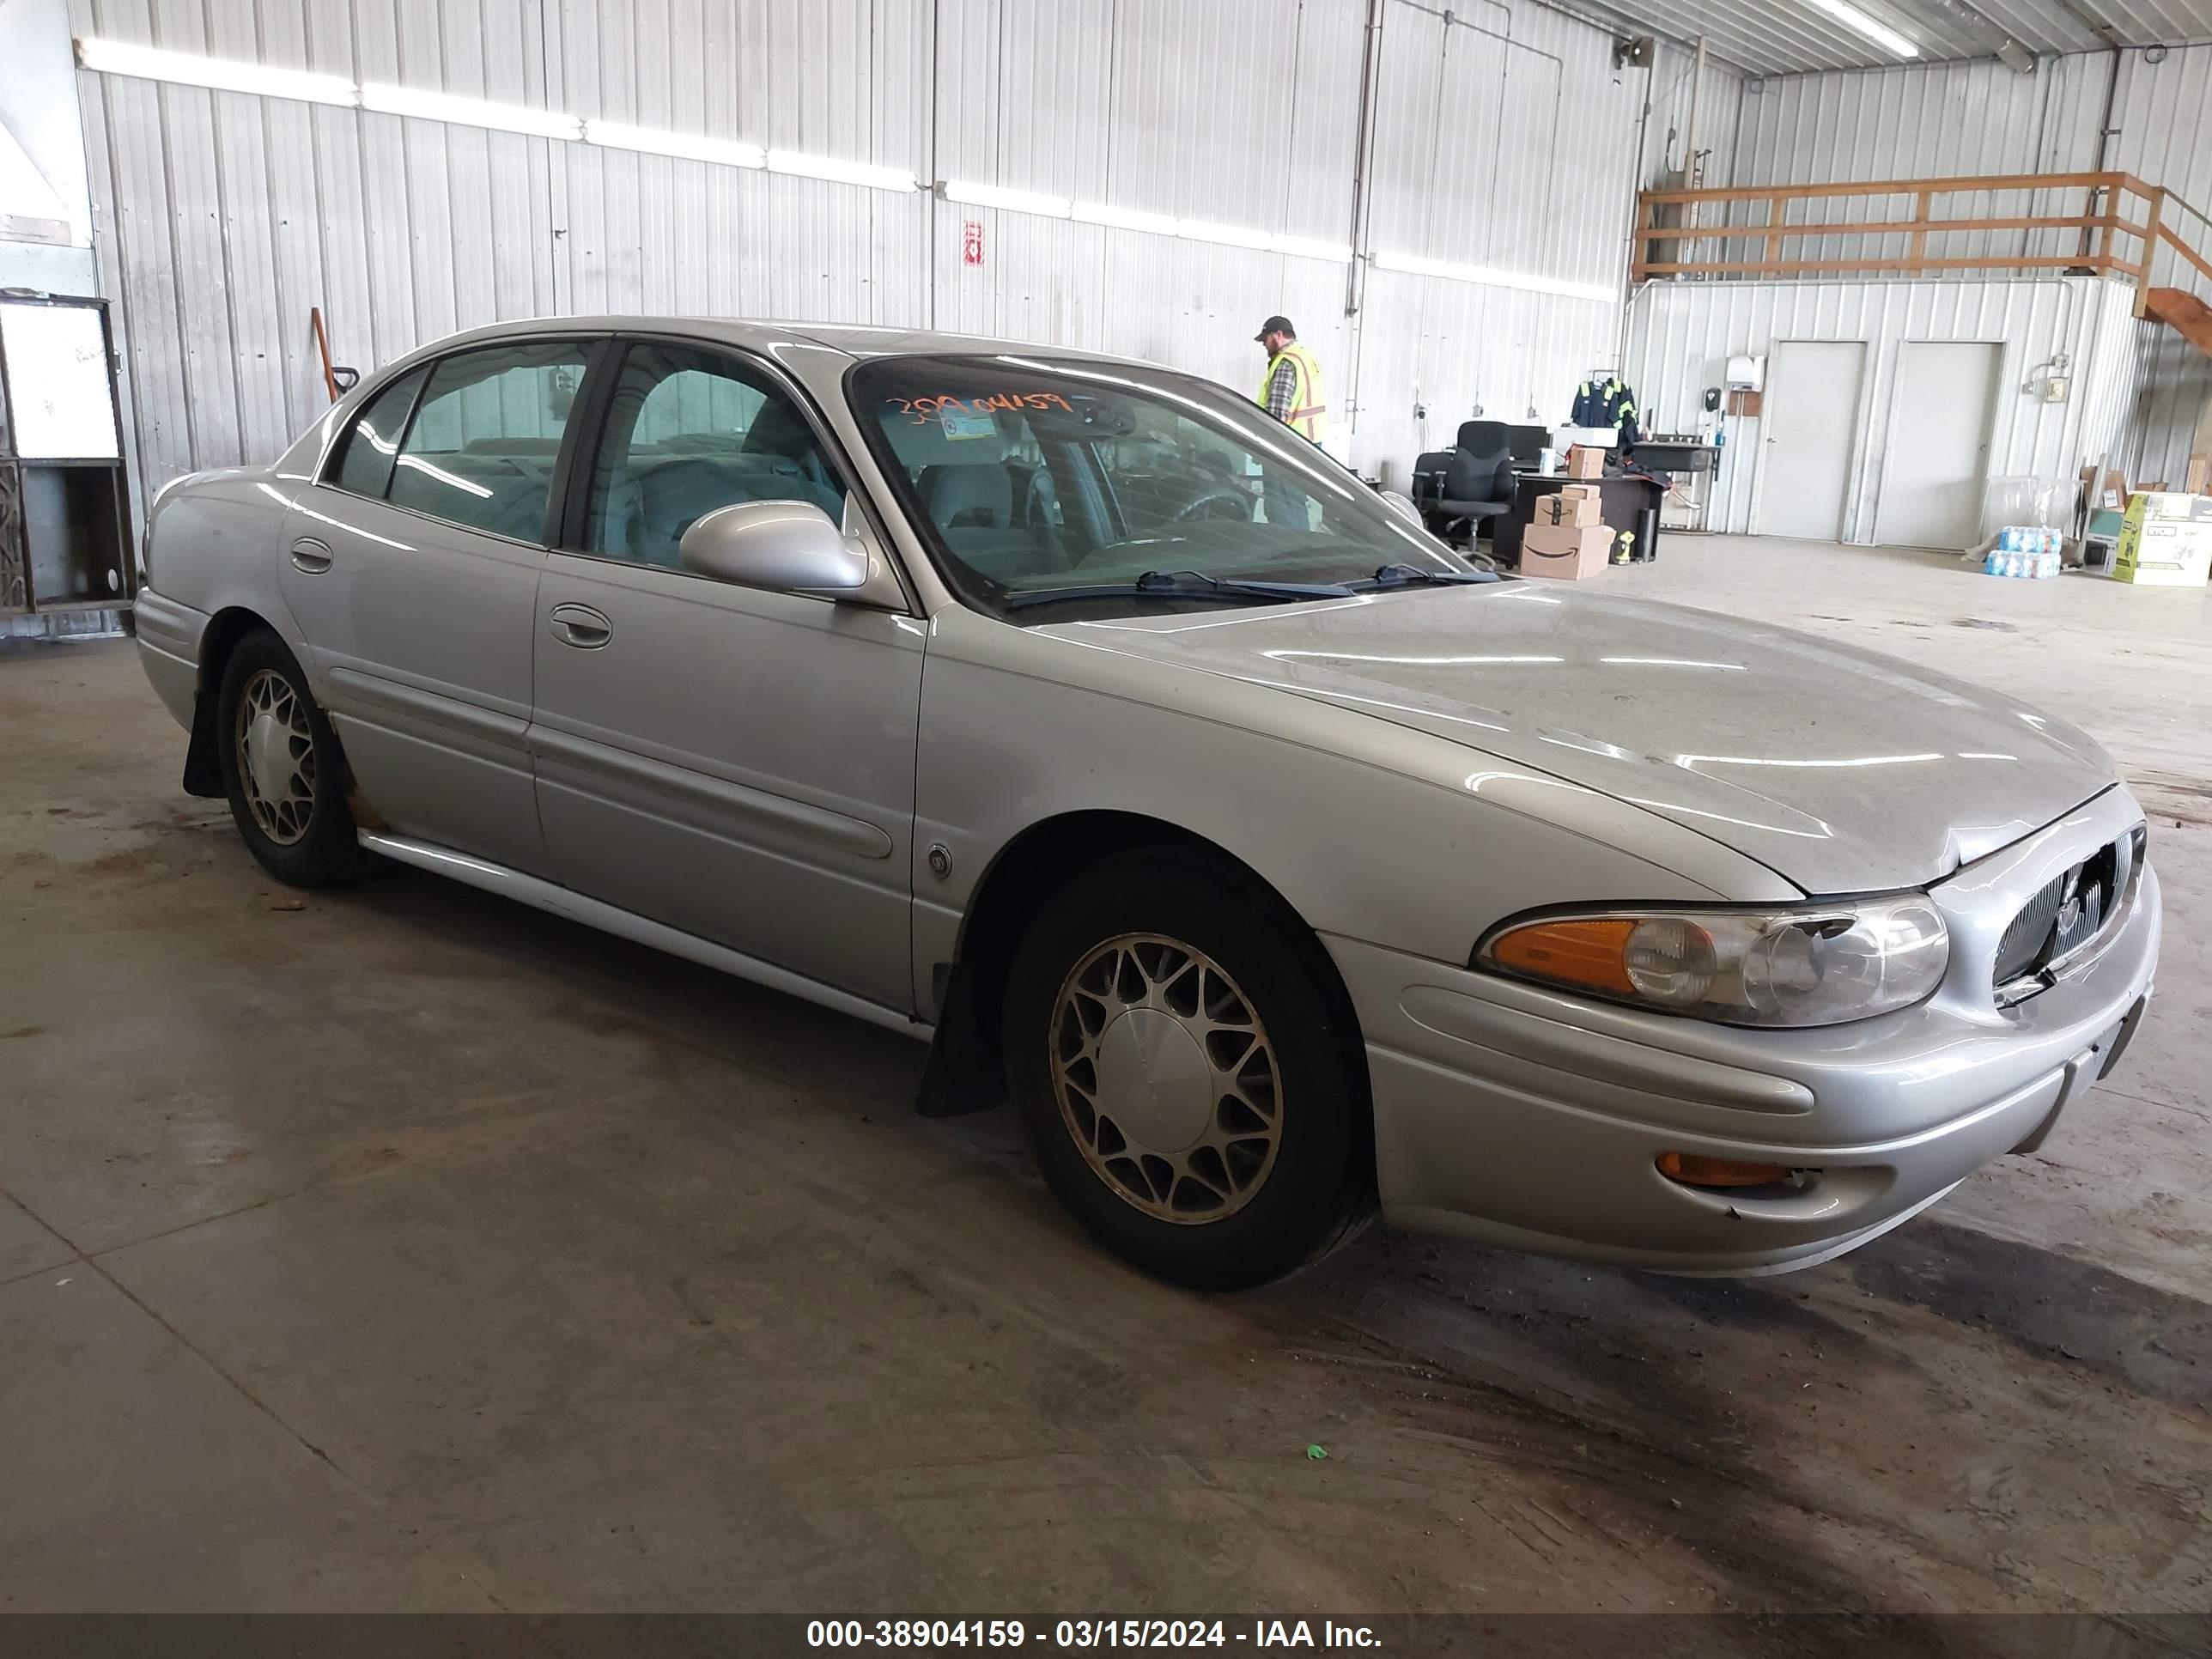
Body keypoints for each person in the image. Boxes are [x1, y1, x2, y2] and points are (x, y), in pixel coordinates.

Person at [1254, 317, 1327, 444]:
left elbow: (1277, 414)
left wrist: (1265, 446)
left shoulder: (1286, 363)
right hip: (1312, 440)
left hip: (1291, 443)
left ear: (1278, 335)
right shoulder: (1305, 356)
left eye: (1266, 339)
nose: (1264, 344)